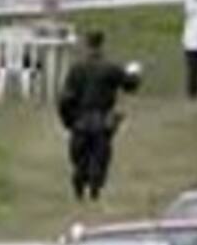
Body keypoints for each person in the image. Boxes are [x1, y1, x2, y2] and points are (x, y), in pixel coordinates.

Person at [57, 31, 140, 201]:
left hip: (80, 121)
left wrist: (68, 121)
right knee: (100, 156)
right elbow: (130, 85)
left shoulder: (76, 69)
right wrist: (135, 74)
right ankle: (95, 187)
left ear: (87, 45)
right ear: (102, 45)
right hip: (102, 120)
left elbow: (66, 98)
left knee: (79, 158)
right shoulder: (110, 68)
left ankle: (80, 186)